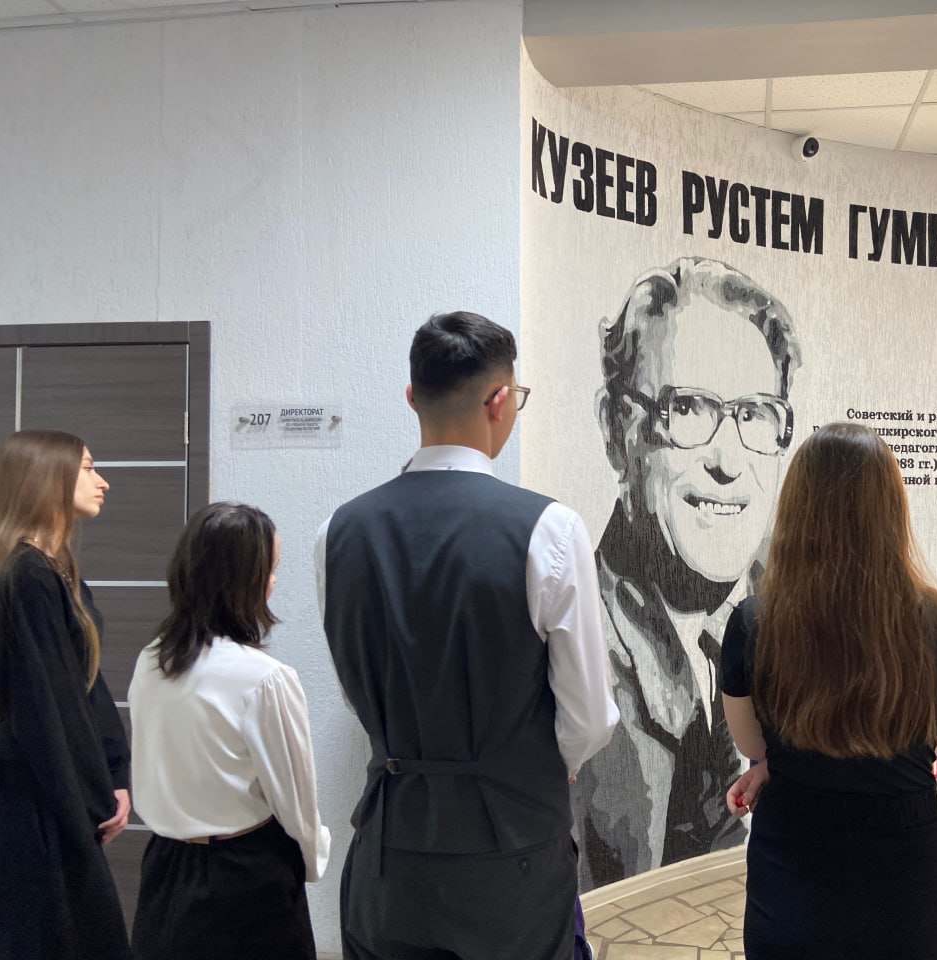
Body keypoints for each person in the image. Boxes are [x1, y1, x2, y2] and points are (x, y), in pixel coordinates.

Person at [317, 311, 618, 960]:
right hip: (511, 849)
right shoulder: (549, 529)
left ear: (411, 397)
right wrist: (542, 766)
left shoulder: (337, 532)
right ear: (499, 400)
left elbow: (355, 687)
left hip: (388, 847)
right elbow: (590, 717)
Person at [576, 256, 802, 888]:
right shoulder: (584, 652)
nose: (728, 461)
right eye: (691, 409)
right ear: (618, 431)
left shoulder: (790, 615)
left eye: (756, 415)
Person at [720, 421, 937, 959]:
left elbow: (751, 745)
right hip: (912, 868)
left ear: (797, 509)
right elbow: (933, 734)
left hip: (795, 857)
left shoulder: (755, 621)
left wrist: (783, 762)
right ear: (891, 508)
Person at [128, 502, 330, 960]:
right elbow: (296, 801)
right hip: (248, 874)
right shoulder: (265, 678)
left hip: (164, 866)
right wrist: (313, 854)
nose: (273, 583)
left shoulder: (151, 660)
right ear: (242, 581)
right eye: (270, 571)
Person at [0, 429, 131, 960]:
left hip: (53, 784)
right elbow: (48, 708)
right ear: (48, 478)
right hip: (35, 789)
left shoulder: (57, 574)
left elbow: (85, 688)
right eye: (88, 467)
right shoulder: (28, 577)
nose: (102, 481)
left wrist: (114, 775)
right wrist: (89, 798)